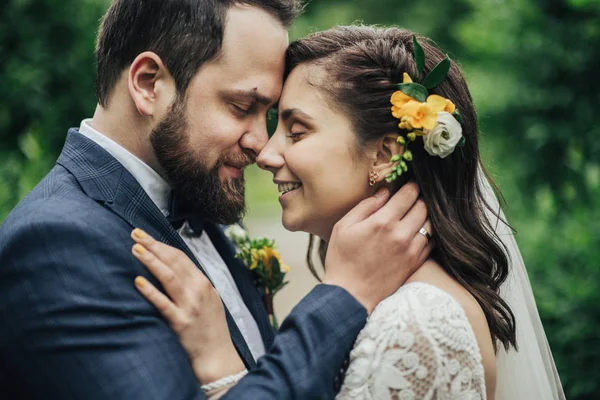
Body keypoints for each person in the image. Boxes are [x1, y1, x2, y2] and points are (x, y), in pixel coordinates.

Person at [0, 2, 432, 400]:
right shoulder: (57, 244)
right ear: (149, 83)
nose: (261, 145)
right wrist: (345, 294)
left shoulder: (205, 202)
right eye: (242, 106)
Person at [133, 26, 566, 399]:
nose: (265, 153)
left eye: (296, 131)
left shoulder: (418, 322)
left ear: (384, 154)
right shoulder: (399, 301)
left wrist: (223, 368)